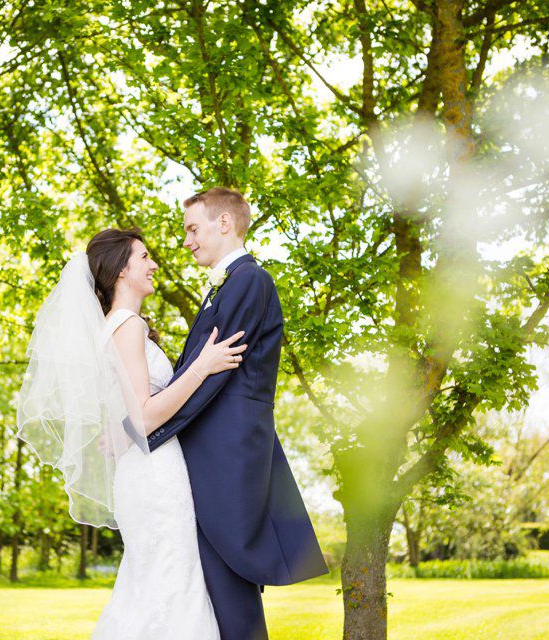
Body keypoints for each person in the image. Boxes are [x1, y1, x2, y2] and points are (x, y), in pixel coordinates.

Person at [18, 227, 246, 639]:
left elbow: (125, 415)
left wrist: (120, 432)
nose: (153, 264)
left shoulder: (116, 326)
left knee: (155, 587)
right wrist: (203, 365)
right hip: (154, 474)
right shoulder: (126, 325)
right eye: (144, 257)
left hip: (144, 469)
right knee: (169, 587)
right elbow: (143, 418)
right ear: (121, 270)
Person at [146, 187, 328, 640]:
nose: (186, 240)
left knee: (231, 591)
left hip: (228, 456)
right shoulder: (227, 285)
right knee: (213, 587)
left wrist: (149, 432)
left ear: (224, 223)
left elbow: (213, 376)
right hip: (214, 453)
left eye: (193, 228)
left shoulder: (249, 280)